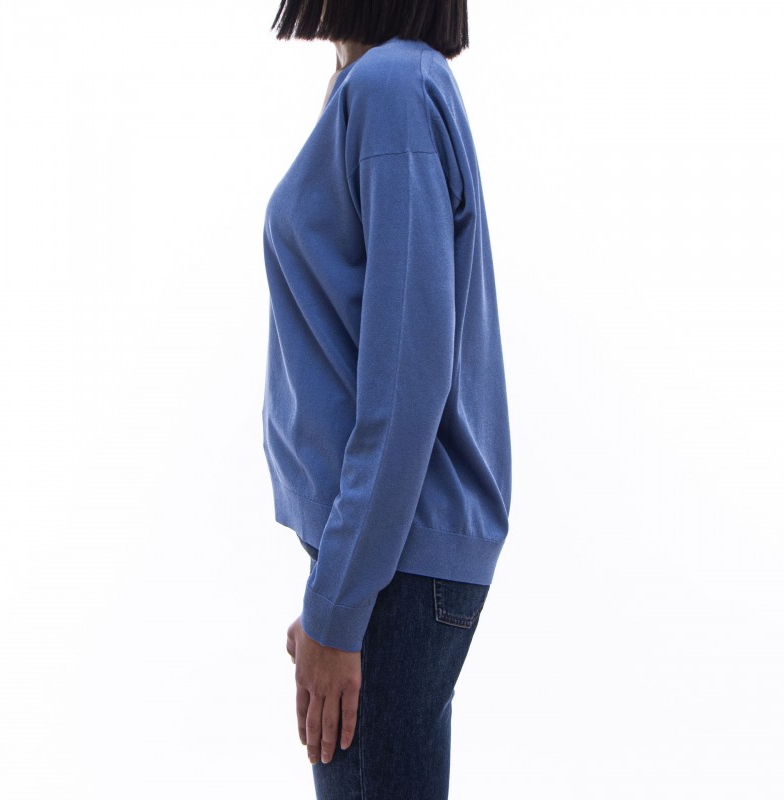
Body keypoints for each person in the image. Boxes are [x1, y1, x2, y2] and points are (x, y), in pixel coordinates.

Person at [263, 2, 512, 797]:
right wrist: (336, 590)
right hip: (386, 564)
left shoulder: (393, 89)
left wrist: (342, 606)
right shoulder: (378, 85)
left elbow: (407, 380)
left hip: (394, 566)